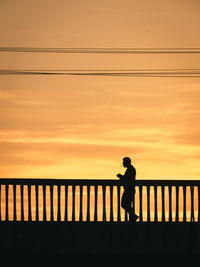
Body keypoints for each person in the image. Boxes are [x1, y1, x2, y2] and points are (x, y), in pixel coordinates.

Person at [116, 157, 139, 222]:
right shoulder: (131, 169)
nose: (123, 163)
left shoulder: (131, 169)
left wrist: (120, 176)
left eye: (124, 162)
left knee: (124, 204)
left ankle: (133, 216)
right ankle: (132, 218)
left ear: (127, 162)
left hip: (129, 190)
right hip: (129, 190)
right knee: (127, 204)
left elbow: (127, 179)